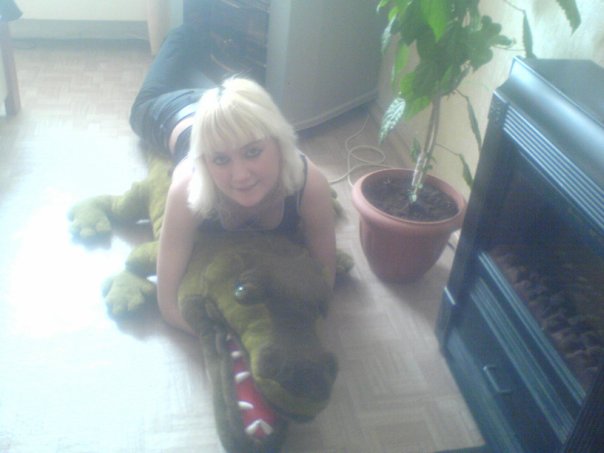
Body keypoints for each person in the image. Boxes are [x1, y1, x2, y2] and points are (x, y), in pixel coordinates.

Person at [129, 24, 337, 335]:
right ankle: (184, 32)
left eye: (253, 152)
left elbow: (324, 283)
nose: (240, 176)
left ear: (279, 143)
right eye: (220, 160)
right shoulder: (187, 188)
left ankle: (206, 61)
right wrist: (222, 340)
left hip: (219, 116)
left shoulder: (309, 184)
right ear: (204, 161)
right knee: (143, 102)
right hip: (172, 112)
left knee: (216, 91)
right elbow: (168, 304)